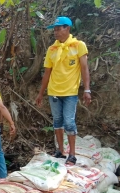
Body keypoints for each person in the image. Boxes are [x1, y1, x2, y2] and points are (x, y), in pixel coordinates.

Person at [35, 16, 91, 165]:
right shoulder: (52, 49)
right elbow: (47, 73)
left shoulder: (78, 46)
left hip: (70, 93)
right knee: (57, 121)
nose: (56, 32)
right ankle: (60, 151)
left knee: (69, 122)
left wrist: (87, 89)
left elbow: (84, 68)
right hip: (54, 92)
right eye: (54, 29)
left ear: (68, 28)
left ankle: (72, 154)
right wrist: (41, 93)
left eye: (59, 29)